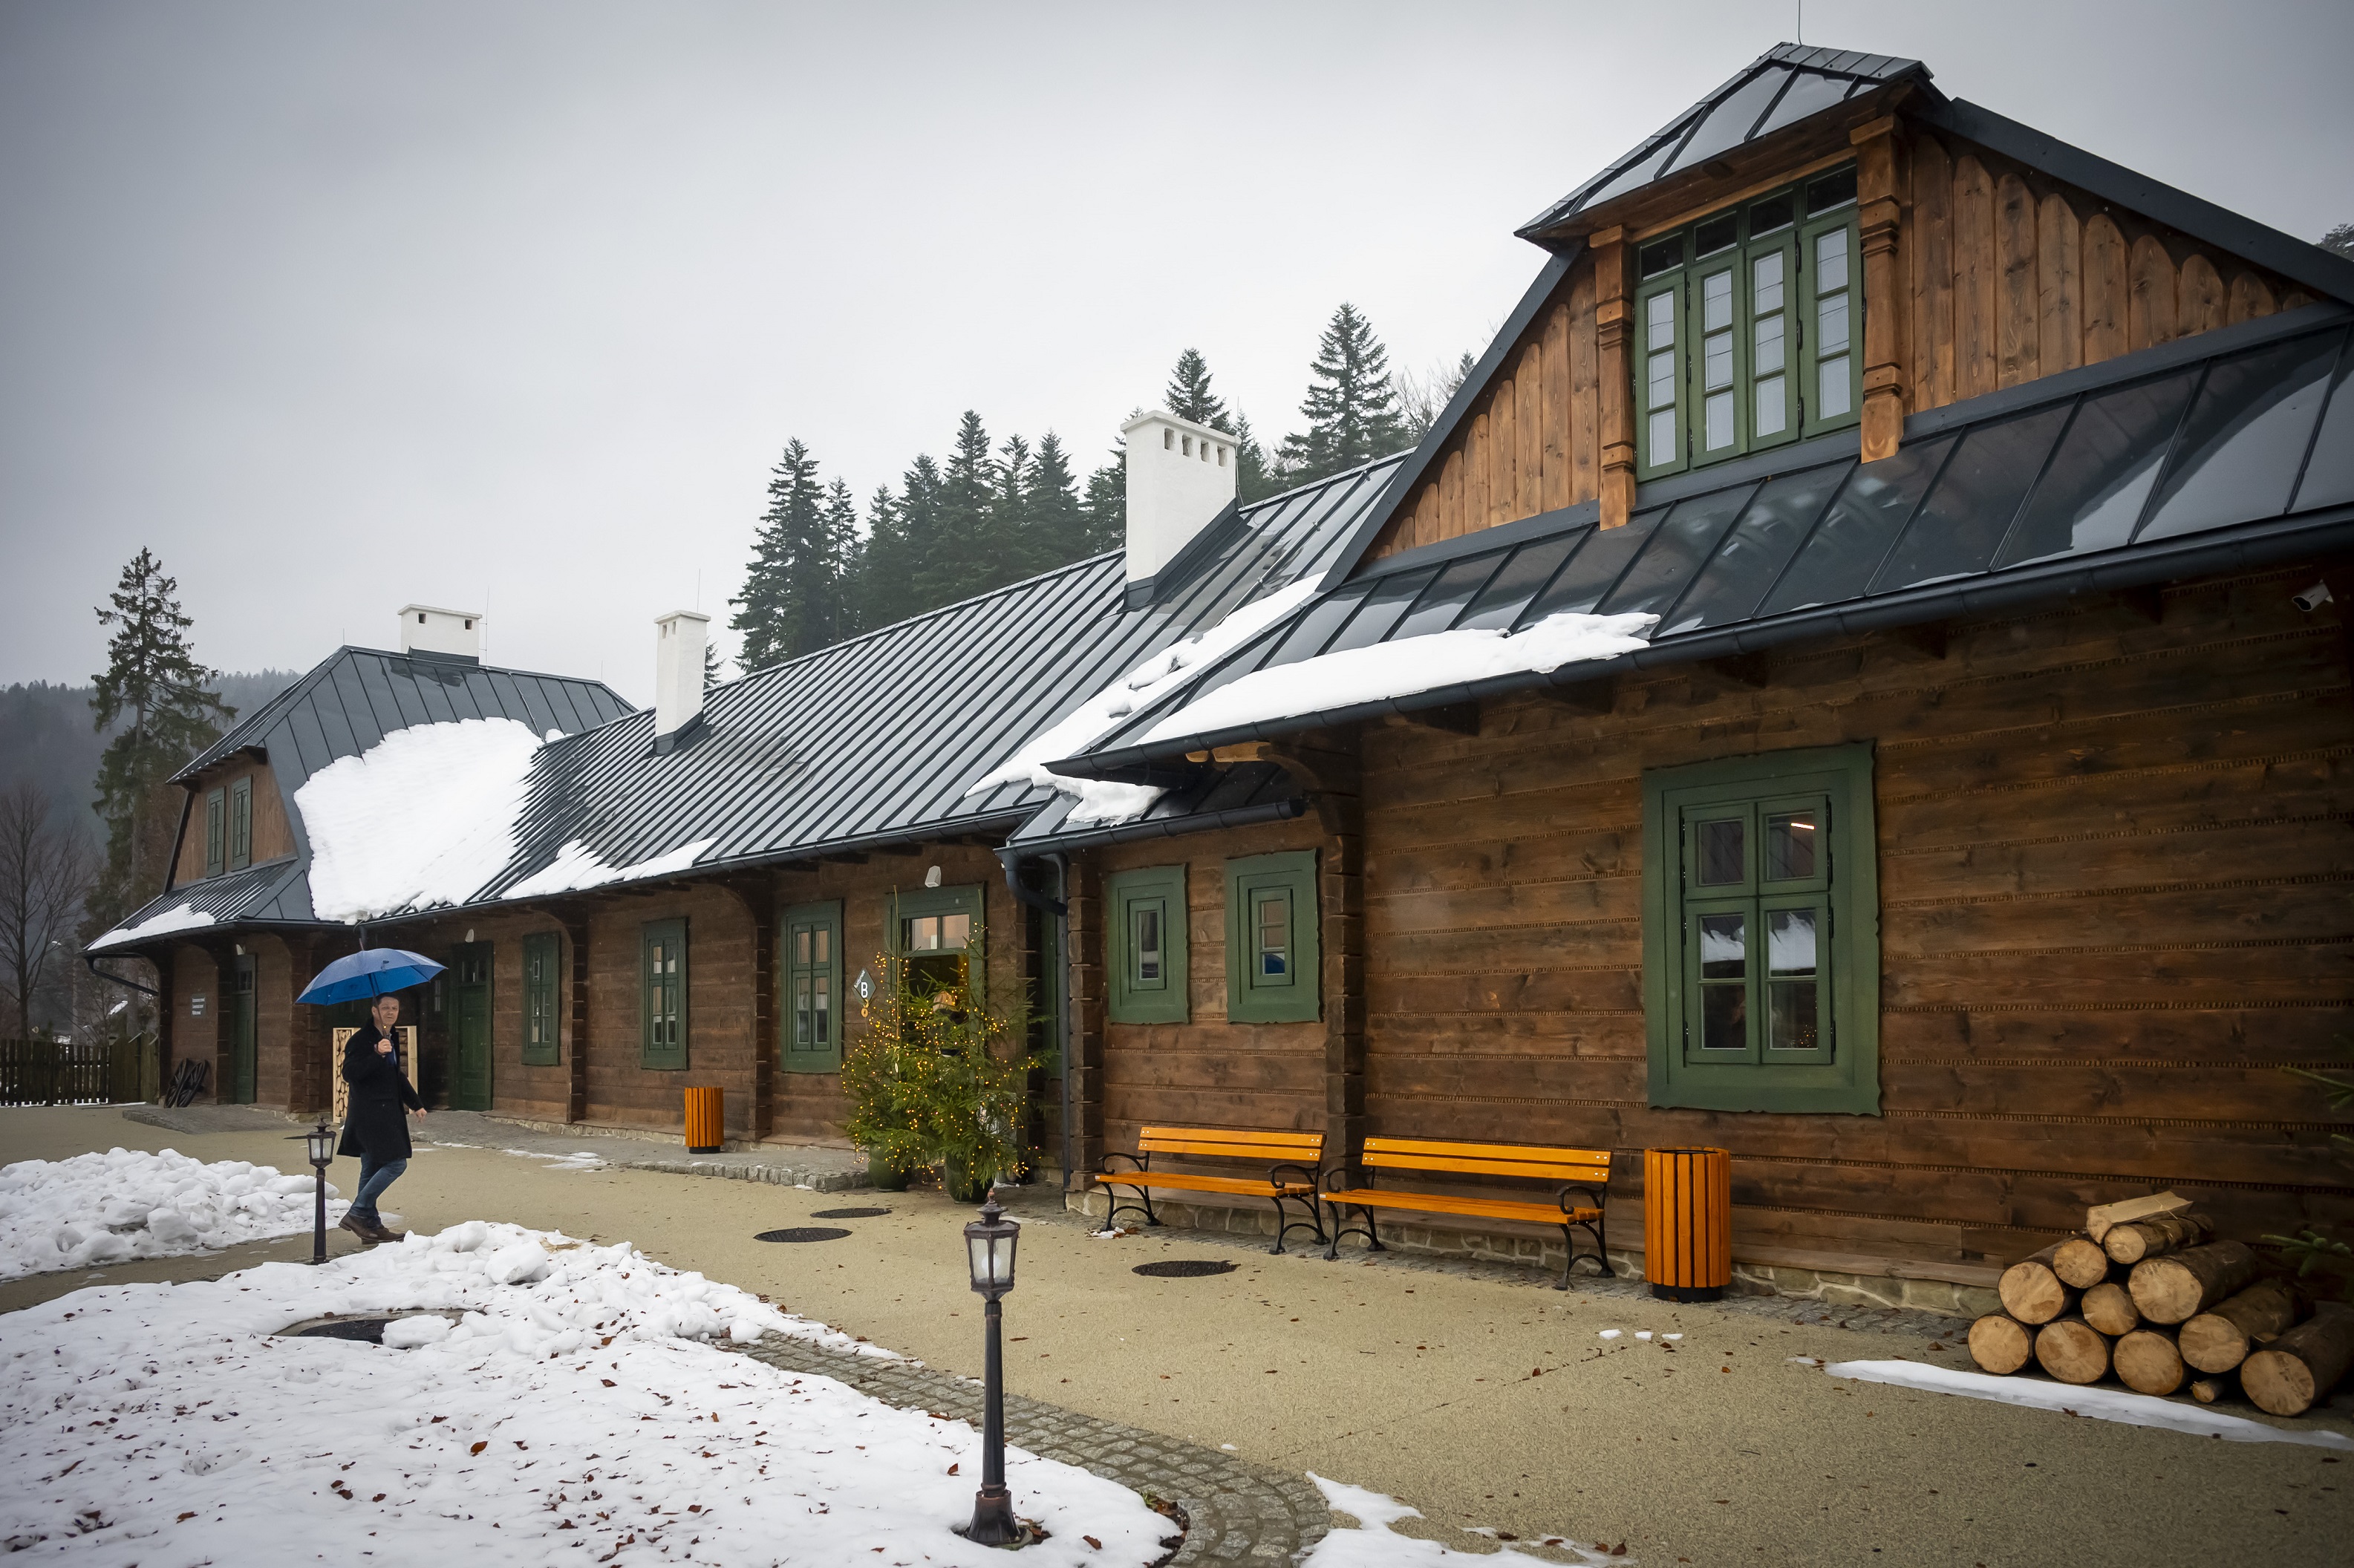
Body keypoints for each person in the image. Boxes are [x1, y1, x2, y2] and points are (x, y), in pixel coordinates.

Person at [338, 990, 425, 1244]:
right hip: (371, 1114)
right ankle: (357, 1212)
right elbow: (350, 1073)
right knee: (396, 1164)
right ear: (374, 1011)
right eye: (385, 1008)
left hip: (386, 1111)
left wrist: (415, 1103)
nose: (391, 1012)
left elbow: (395, 1075)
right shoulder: (361, 1040)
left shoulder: (389, 1037)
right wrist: (375, 1053)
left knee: (371, 1168)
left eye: (395, 1008)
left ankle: (370, 1227)